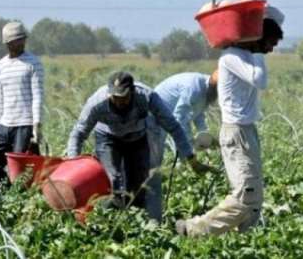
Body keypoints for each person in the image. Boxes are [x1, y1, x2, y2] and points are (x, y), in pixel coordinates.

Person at [176, 0, 285, 236]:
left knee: (254, 196)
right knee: (245, 193)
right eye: (269, 43)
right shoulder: (232, 57)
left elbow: (277, 17)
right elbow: (260, 80)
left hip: (247, 130)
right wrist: (257, 49)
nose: (270, 50)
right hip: (236, 132)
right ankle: (193, 230)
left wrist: (250, 2)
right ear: (257, 38)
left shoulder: (246, 54)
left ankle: (247, 239)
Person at [65, 71, 214, 212]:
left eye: (123, 97)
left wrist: (190, 158)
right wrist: (73, 164)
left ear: (132, 91)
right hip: (108, 138)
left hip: (137, 138)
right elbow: (78, 133)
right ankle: (108, 221)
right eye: (114, 97)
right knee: (114, 181)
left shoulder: (147, 96)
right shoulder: (97, 103)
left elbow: (173, 126)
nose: (118, 102)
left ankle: (136, 224)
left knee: (140, 186)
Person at [0, 22, 44, 191]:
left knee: (21, 174)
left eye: (21, 39)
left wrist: (36, 127)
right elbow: (0, 97)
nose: (19, 43)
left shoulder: (33, 63)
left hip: (24, 125)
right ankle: (8, 196)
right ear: (7, 43)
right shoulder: (0, 65)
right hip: (4, 125)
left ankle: (20, 202)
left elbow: (37, 96)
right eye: (14, 41)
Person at [146, 71, 219, 222]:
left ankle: (172, 191)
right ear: (214, 87)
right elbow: (178, 120)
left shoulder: (207, 92)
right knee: (155, 162)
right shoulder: (194, 88)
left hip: (171, 117)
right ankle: (151, 209)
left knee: (180, 156)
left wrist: (204, 136)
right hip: (155, 116)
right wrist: (189, 145)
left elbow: (198, 115)